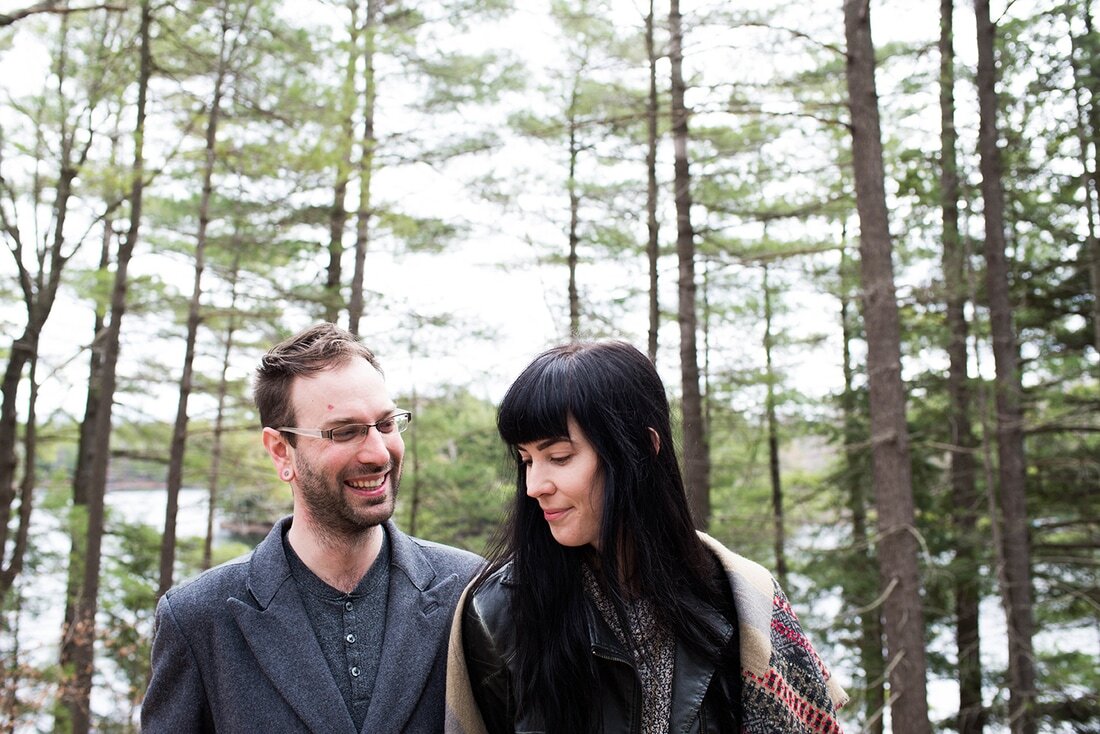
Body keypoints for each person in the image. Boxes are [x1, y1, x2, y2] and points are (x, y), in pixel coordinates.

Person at [445, 340, 847, 734]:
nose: (534, 485)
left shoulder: (742, 599)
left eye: (560, 457)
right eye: (526, 460)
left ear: (641, 448)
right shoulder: (498, 614)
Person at [142, 323, 483, 734]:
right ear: (281, 450)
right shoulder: (198, 620)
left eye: (387, 424)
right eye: (344, 431)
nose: (378, 453)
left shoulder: (473, 589)